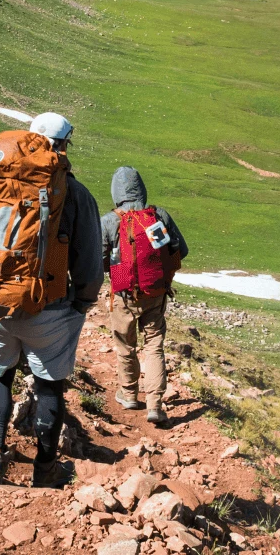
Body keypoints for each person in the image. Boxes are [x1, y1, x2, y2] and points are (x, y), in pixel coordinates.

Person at [0, 112, 102, 488]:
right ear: (62, 145)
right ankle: (45, 469)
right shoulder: (74, 192)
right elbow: (89, 259)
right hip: (47, 305)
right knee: (48, 385)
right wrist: (82, 301)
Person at [101, 166, 188, 424]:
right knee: (154, 347)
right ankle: (155, 405)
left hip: (124, 293)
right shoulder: (159, 216)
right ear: (142, 189)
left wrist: (117, 270)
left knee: (125, 345)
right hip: (155, 292)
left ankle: (128, 394)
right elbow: (180, 251)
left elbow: (98, 261)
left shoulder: (109, 220)